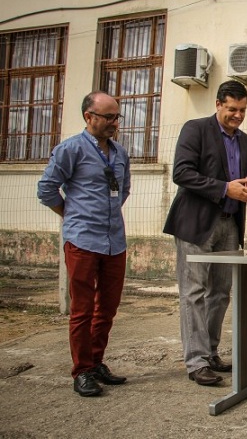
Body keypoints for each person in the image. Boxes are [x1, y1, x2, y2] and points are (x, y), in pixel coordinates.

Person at [163, 80, 247, 387]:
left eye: (243, 110)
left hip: (230, 226)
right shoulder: (195, 129)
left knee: (220, 292)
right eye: (232, 109)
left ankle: (210, 352)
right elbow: (181, 172)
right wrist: (224, 188)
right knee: (193, 293)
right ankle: (195, 362)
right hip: (197, 225)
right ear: (218, 104)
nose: (238, 115)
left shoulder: (246, 141)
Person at [37, 91, 131, 397]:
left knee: (108, 307)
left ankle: (96, 362)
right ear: (89, 117)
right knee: (82, 310)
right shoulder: (70, 150)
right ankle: (82, 371)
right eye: (108, 117)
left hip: (114, 241)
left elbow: (124, 188)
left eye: (117, 117)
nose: (114, 123)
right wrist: (71, 214)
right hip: (82, 240)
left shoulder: (119, 153)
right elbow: (47, 189)